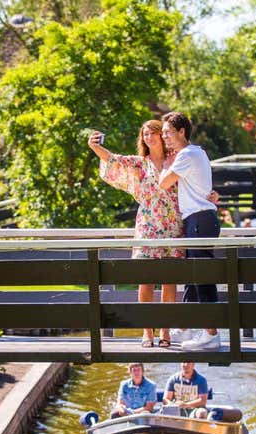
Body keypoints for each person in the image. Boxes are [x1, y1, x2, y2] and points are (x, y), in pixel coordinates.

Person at [88, 121, 183, 348]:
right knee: (146, 280)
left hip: (173, 226)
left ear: (162, 136)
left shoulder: (177, 159)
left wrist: (210, 195)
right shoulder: (140, 164)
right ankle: (147, 331)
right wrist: (95, 147)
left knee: (170, 281)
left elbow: (195, 180)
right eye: (145, 134)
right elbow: (114, 160)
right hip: (148, 227)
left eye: (153, 133)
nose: (149, 137)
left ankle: (165, 331)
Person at [159, 111, 222, 350]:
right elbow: (203, 188)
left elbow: (164, 182)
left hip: (199, 220)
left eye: (167, 133)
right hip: (200, 220)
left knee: (202, 278)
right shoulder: (198, 153)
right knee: (193, 279)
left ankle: (211, 335)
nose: (165, 138)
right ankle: (185, 329)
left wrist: (167, 163)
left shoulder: (185, 154)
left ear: (181, 131)